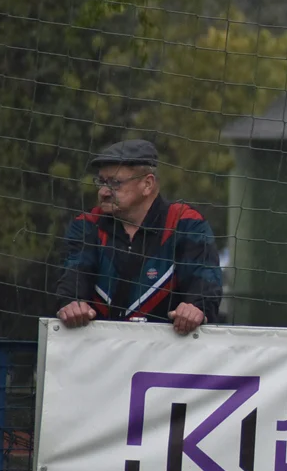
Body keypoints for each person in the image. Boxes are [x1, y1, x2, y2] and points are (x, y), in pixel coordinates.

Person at [55, 139, 223, 335]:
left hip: (168, 355)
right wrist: (71, 303)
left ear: (147, 184)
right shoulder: (87, 225)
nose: (103, 192)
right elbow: (73, 275)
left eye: (115, 183)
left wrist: (196, 308)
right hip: (99, 353)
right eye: (101, 182)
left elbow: (204, 282)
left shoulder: (185, 223)